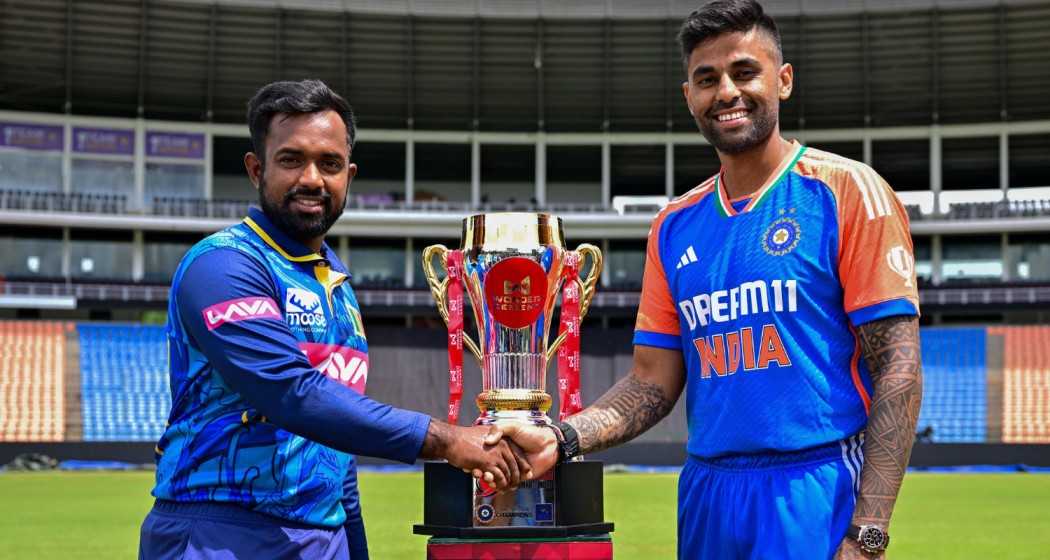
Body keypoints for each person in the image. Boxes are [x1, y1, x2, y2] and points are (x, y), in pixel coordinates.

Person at [501, 2, 923, 558]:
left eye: (744, 72)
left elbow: (898, 365)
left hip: (814, 485)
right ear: (689, 97)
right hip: (706, 490)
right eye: (707, 79)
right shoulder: (673, 225)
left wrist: (868, 533)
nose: (726, 92)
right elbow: (651, 384)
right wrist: (562, 436)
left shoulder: (846, 191)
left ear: (784, 80)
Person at [138, 79, 530, 560]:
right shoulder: (223, 265)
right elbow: (290, 394)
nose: (312, 178)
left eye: (329, 163)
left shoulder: (336, 284)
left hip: (323, 538)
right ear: (256, 168)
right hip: (221, 532)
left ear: (349, 174)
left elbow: (334, 452)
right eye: (291, 159)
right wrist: (447, 440)